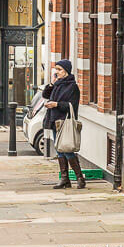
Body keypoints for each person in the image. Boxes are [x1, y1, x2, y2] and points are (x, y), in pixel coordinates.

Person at [42, 59, 85, 189]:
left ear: (66, 71)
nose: (57, 72)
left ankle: (80, 178)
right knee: (59, 151)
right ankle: (65, 179)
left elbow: (72, 106)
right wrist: (51, 83)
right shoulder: (57, 84)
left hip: (64, 122)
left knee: (67, 150)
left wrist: (56, 104)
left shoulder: (72, 87)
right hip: (55, 121)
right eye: (56, 69)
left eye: (59, 70)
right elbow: (45, 94)